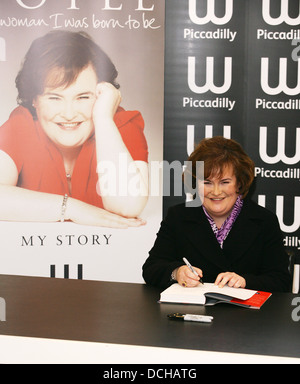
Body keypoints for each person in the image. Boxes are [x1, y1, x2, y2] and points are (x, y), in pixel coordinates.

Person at [0, 30, 148, 228]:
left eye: (83, 97)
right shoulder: (22, 126)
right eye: (54, 98)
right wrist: (73, 208)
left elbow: (128, 206)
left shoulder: (120, 126)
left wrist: (103, 118)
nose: (69, 114)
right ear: (34, 99)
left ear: (102, 94)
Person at [142, 136, 292, 292]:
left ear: (239, 183)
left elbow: (281, 280)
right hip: (193, 313)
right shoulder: (178, 216)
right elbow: (151, 268)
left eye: (224, 182)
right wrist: (177, 273)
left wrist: (245, 282)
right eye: (207, 182)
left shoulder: (264, 220)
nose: (216, 192)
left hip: (245, 315)